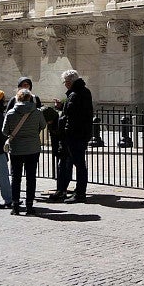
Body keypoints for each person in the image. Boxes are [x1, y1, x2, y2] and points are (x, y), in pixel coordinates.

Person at [48, 69, 93, 204]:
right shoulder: (83, 92)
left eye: (65, 82)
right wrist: (63, 106)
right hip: (79, 134)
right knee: (71, 164)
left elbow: (71, 117)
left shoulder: (75, 94)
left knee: (77, 164)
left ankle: (79, 193)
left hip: (74, 135)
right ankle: (63, 190)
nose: (65, 84)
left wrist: (64, 132)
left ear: (70, 82)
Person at [2, 88, 44, 215]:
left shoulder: (10, 113)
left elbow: (4, 131)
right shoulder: (37, 112)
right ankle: (29, 206)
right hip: (33, 148)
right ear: (30, 98)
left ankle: (15, 206)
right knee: (31, 178)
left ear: (17, 98)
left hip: (16, 149)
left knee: (16, 178)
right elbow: (43, 126)